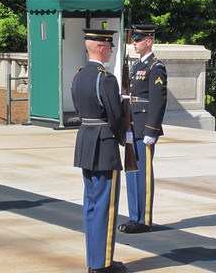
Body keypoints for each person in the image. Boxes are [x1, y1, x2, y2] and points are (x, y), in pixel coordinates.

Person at [71, 28, 130, 273]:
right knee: (106, 206)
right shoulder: (105, 78)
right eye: (110, 47)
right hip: (104, 145)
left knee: (91, 205)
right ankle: (103, 264)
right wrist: (122, 136)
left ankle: (94, 260)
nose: (112, 51)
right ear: (102, 48)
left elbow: (78, 108)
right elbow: (115, 115)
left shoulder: (79, 75)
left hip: (85, 141)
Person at [118, 24, 167, 234]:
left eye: (138, 40)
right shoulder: (135, 66)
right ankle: (134, 217)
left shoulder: (156, 67)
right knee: (132, 171)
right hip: (132, 126)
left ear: (149, 41)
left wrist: (151, 130)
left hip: (145, 127)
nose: (134, 43)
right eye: (133, 40)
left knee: (144, 174)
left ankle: (144, 219)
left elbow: (158, 101)